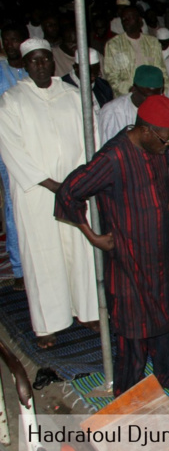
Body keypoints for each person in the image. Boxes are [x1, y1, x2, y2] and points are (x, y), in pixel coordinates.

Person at [55, 96, 169, 396]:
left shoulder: (157, 146)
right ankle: (129, 393)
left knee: (167, 317)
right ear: (145, 130)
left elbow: (163, 181)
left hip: (159, 250)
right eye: (165, 139)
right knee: (132, 330)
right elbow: (69, 191)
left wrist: (167, 203)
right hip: (128, 258)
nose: (168, 145)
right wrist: (93, 235)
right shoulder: (113, 157)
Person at [0, 39, 99, 347]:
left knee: (79, 250)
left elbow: (90, 137)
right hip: (37, 193)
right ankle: (47, 324)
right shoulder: (12, 100)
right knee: (43, 255)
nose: (41, 65)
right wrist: (51, 184)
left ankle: (87, 310)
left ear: (53, 63)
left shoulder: (73, 95)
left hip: (73, 187)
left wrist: (77, 180)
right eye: (34, 61)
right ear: (26, 65)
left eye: (45, 59)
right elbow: (11, 148)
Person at [0, 26, 27, 289]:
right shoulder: (0, 72)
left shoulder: (35, 68)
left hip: (35, 148)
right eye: (5, 39)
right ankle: (19, 268)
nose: (9, 44)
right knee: (12, 203)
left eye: (14, 39)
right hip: (7, 148)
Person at [103, 5, 168, 96]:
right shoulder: (113, 45)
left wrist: (161, 92)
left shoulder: (152, 43)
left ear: (139, 21)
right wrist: (131, 89)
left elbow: (161, 71)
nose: (125, 21)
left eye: (129, 17)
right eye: (123, 19)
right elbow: (110, 76)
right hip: (126, 97)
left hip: (151, 96)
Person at [98, 65, 165, 142]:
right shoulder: (113, 112)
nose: (152, 102)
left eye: (156, 97)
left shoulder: (163, 109)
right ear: (134, 89)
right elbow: (107, 150)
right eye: (147, 97)